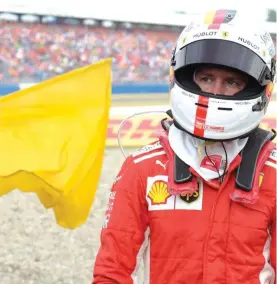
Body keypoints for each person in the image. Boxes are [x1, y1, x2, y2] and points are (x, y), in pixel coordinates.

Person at [93, 9, 276, 284]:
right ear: (183, 76)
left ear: (258, 88)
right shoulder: (142, 169)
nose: (215, 91)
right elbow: (113, 273)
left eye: (231, 82)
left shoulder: (273, 174)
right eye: (205, 78)